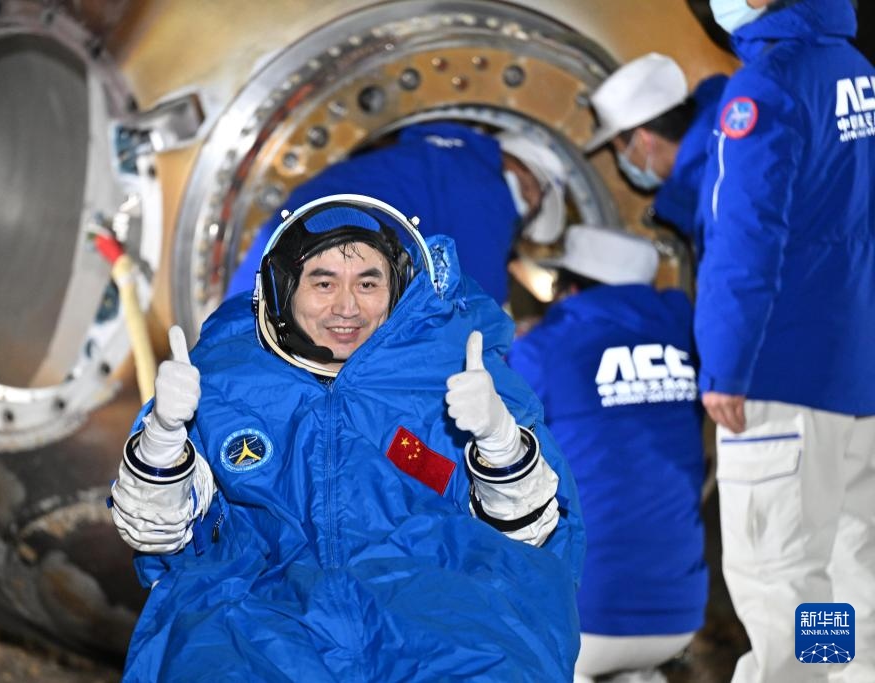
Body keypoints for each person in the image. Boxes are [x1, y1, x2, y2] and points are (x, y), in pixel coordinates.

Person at [109, 194, 585, 681]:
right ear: (283, 289)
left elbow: (527, 537)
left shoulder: (452, 372)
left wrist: (499, 442)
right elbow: (157, 534)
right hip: (260, 618)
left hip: (438, 611)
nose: (347, 306)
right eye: (323, 282)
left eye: (368, 283)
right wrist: (164, 438)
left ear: (396, 286)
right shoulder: (226, 383)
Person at [696, 0, 875, 681]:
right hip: (855, 377)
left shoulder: (767, 86)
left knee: (785, 576)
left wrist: (726, 365)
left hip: (782, 378)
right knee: (846, 570)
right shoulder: (856, 72)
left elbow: (745, 235)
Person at [509, 225, 707, 683]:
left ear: (572, 290)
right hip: (679, 614)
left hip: (585, 617)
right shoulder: (687, 336)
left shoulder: (543, 350)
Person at [225, 121, 568, 304]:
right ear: (527, 179)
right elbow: (478, 305)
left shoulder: (434, 155)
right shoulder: (489, 189)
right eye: (532, 208)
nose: (522, 214)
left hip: (279, 249)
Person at [584, 52, 728, 257]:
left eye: (620, 151)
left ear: (644, 141)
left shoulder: (712, 205)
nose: (622, 163)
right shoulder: (731, 115)